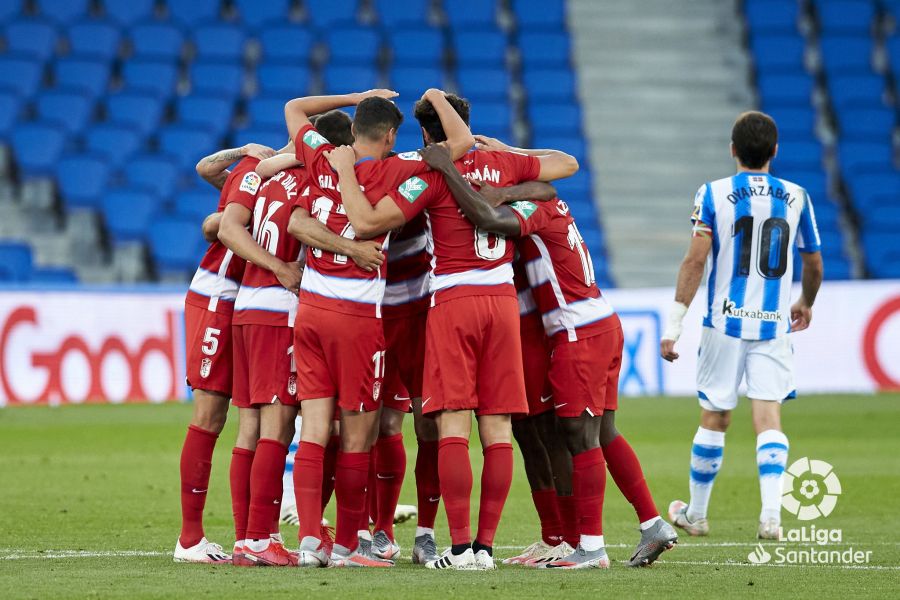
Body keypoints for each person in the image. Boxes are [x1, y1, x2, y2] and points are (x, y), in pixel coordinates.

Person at [324, 92, 574, 570]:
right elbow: (564, 166)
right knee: (497, 427)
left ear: (423, 135)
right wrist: (507, 164)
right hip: (502, 301)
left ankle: (457, 548)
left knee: (452, 424)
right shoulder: (502, 163)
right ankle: (484, 549)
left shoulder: (431, 175)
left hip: (453, 302)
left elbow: (373, 219)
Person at [421, 141, 679, 569]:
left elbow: (491, 214)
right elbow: (545, 184)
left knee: (577, 438)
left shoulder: (533, 213)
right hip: (598, 322)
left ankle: (587, 546)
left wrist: (454, 171)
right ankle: (650, 522)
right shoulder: (549, 201)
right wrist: (507, 169)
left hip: (575, 331)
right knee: (601, 432)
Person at [283, 88, 474, 568]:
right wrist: (432, 95)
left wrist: (355, 96)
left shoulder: (322, 156)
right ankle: (350, 544)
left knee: (315, 429)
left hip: (310, 311)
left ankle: (310, 543)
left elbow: (293, 109)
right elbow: (463, 143)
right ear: (390, 136)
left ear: (352, 130)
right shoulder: (396, 167)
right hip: (357, 318)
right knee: (359, 435)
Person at [660, 111, 823, 540]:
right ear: (774, 151)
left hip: (724, 323)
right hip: (773, 324)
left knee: (715, 416)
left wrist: (674, 325)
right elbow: (814, 262)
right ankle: (771, 516)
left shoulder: (712, 194)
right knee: (768, 417)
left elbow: (695, 260)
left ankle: (695, 514)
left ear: (733, 150)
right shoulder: (797, 196)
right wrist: (805, 301)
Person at [173, 142, 275, 564]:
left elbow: (215, 219)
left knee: (259, 414)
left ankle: (250, 537)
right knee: (211, 415)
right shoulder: (258, 168)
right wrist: (245, 151)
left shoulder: (295, 175)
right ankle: (190, 539)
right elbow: (206, 169)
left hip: (254, 303)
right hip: (220, 292)